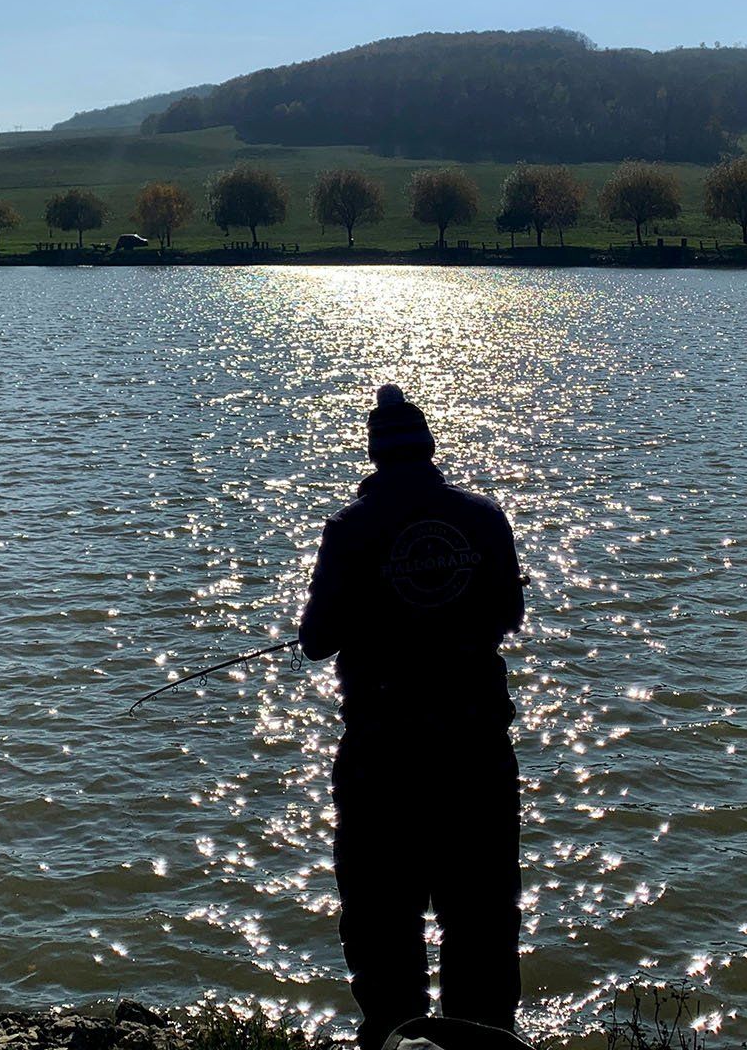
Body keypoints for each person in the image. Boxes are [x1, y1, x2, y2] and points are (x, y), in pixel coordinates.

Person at [299, 384, 527, 1050]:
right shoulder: (485, 519)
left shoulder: (350, 529)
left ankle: (394, 1041)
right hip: (476, 756)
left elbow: (315, 641)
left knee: (384, 935)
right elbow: (509, 616)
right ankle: (483, 1042)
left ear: (375, 455)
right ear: (429, 451)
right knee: (482, 930)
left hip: (382, 762)